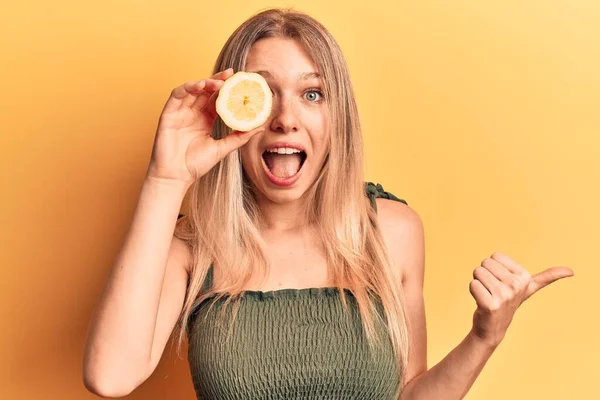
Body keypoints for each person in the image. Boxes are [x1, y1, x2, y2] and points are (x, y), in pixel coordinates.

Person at [82, 7, 574, 400]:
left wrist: (486, 336)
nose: (286, 120)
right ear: (231, 109)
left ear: (339, 116)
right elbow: (110, 377)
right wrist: (165, 178)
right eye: (264, 95)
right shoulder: (195, 248)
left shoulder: (392, 231)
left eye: (312, 93)